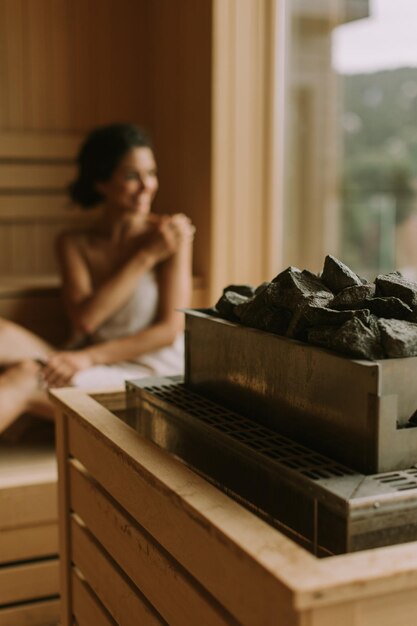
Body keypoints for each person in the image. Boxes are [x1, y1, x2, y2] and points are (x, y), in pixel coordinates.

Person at [0, 123, 195, 434]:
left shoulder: (170, 236)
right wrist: (144, 258)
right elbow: (84, 321)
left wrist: (85, 359)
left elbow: (169, 331)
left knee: (26, 375)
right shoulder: (75, 243)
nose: (147, 186)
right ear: (102, 182)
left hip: (152, 374)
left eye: (152, 173)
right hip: (96, 361)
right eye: (132, 176)